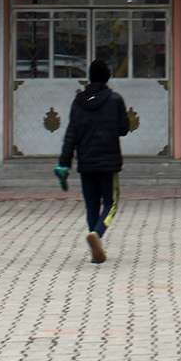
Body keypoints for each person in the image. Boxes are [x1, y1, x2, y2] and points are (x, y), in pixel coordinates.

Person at [55, 59, 130, 263]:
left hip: (86, 162)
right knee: (111, 203)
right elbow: (124, 128)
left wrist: (64, 163)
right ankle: (97, 233)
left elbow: (71, 135)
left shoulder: (78, 102)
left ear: (90, 77)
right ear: (107, 77)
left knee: (91, 205)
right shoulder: (115, 100)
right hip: (109, 163)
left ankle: (95, 247)